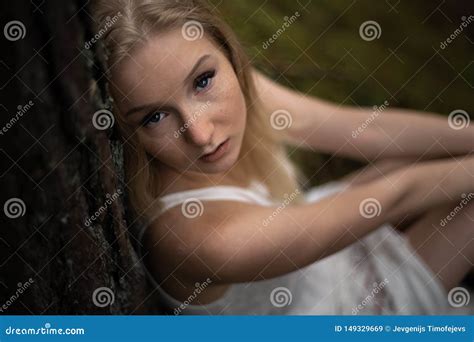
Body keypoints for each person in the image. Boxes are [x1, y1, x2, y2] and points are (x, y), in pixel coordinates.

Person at [91, 0, 474, 315]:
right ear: (125, 130)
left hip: (327, 241)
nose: (200, 133)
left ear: (229, 55)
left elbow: (368, 131)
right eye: (154, 117)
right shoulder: (189, 236)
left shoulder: (228, 78)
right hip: (360, 311)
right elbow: (395, 197)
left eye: (203, 81)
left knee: (431, 158)